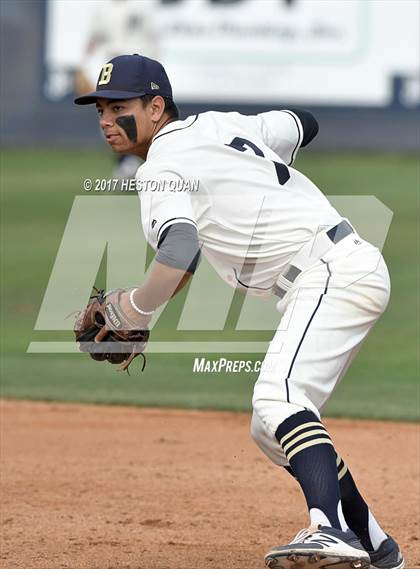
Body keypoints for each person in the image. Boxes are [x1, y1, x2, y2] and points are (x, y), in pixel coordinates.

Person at [74, 54, 405, 569]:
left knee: (281, 399)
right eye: (99, 110)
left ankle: (328, 530)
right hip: (338, 268)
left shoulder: (160, 166)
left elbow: (179, 246)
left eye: (120, 107)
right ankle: (375, 546)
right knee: (271, 430)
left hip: (330, 272)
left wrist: (133, 309)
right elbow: (303, 125)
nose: (106, 121)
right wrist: (248, 169)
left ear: (156, 106)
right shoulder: (218, 126)